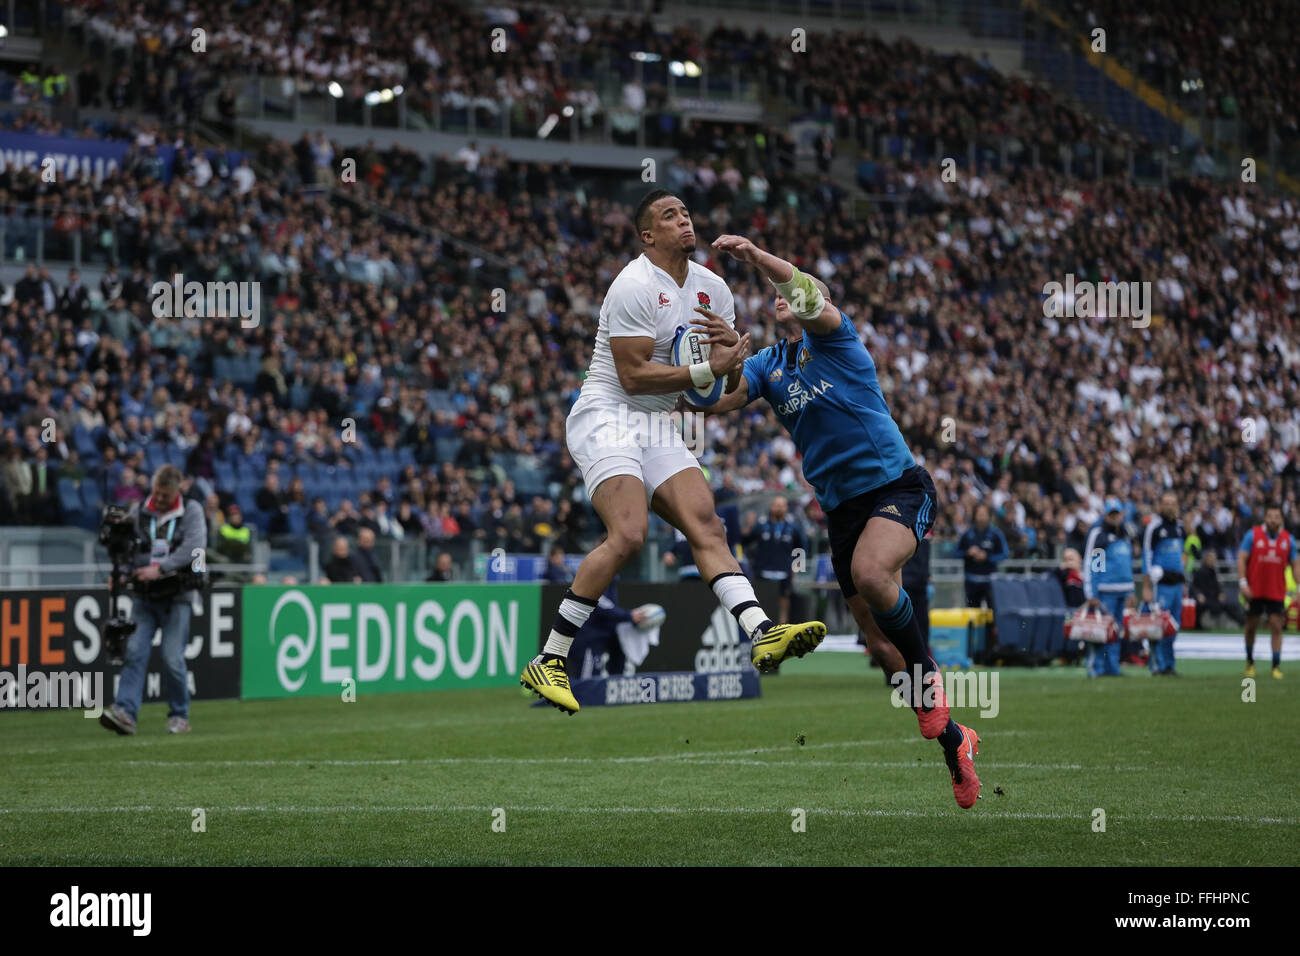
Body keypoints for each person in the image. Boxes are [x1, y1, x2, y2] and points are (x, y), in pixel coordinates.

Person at [521, 191, 826, 717]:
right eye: (669, 216)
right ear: (648, 236)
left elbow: (710, 393)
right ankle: (550, 658)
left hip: (660, 419)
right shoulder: (633, 285)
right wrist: (712, 369)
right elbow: (633, 376)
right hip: (607, 413)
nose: (683, 220)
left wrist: (733, 360)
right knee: (630, 534)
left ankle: (762, 631)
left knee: (707, 525)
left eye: (685, 213)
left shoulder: (713, 288)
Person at [702, 232, 979, 809]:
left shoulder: (840, 342)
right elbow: (722, 400)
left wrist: (754, 257)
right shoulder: (769, 363)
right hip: (842, 511)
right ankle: (956, 741)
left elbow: (804, 294)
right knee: (880, 649)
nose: (783, 299)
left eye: (794, 294)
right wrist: (714, 367)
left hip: (895, 487)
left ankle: (931, 682)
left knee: (875, 575)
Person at [98, 465, 206, 736]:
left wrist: (161, 568)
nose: (159, 499)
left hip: (177, 595)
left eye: (165, 496)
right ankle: (125, 712)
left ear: (177, 490)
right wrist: (121, 574)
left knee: (172, 658)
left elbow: (195, 548)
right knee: (134, 652)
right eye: (156, 493)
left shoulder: (191, 511)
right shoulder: (139, 512)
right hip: (144, 596)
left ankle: (180, 715)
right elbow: (127, 549)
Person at [1237, 503, 1299, 679]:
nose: (1273, 520)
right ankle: (1250, 662)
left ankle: (1275, 666)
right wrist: (1243, 583)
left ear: (1281, 519)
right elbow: (1241, 558)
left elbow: (1295, 564)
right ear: (1265, 518)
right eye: (1270, 516)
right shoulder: (1253, 535)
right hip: (1254, 590)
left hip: (1276, 591)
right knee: (1251, 627)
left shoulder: (1288, 539)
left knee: (1276, 626)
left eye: (1277, 517)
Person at [1082, 498, 1135, 677]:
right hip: (1106, 590)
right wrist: (1091, 592)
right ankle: (1096, 668)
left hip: (1122, 589)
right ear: (1105, 515)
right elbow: (1093, 565)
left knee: (1116, 632)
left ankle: (1112, 668)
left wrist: (1131, 589)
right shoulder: (1099, 534)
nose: (1114, 517)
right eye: (1111, 514)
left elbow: (1127, 563)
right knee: (1100, 631)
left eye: (1117, 513)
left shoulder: (1125, 532)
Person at [1141, 490, 1187, 676]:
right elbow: (1146, 555)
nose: (1169, 506)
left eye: (1172, 502)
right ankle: (1157, 665)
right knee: (1158, 625)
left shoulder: (1180, 527)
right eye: (1166, 503)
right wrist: (1146, 586)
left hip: (1176, 584)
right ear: (1160, 505)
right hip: (1161, 585)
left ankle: (1169, 664)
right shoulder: (1154, 528)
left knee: (1173, 626)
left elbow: (1181, 554)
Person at [741, 496, 806, 624]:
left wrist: (796, 569)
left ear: (787, 508)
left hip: (784, 572)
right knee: (761, 603)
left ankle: (782, 630)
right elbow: (745, 542)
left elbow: (801, 549)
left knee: (784, 603)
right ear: (771, 507)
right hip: (762, 571)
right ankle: (762, 630)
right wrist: (748, 525)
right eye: (776, 505)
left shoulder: (794, 527)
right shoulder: (761, 525)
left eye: (782, 505)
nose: (779, 508)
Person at [957, 504, 1008, 608]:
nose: (981, 517)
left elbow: (1004, 554)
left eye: (983, 514)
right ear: (974, 516)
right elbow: (956, 553)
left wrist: (987, 557)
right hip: (971, 581)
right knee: (972, 615)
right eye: (979, 514)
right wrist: (968, 553)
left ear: (989, 516)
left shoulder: (996, 534)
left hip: (991, 582)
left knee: (992, 615)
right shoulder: (966, 534)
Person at [1190, 550, 1244, 629]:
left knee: (1231, 605)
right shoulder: (1200, 572)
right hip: (1205, 598)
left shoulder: (1213, 572)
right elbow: (1194, 587)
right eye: (1211, 559)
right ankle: (1197, 625)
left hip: (1213, 598)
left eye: (1214, 559)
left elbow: (1217, 586)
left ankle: (1242, 622)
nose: (1213, 561)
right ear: (1206, 559)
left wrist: (1220, 593)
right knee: (1200, 605)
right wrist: (1199, 594)